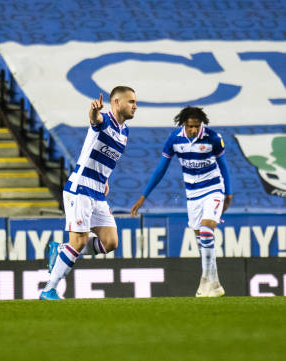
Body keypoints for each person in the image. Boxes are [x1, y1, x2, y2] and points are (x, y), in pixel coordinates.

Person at [40, 86, 137, 300]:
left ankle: (62, 250)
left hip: (98, 192)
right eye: (131, 101)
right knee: (80, 241)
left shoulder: (125, 132)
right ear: (117, 102)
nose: (135, 106)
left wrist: (106, 179)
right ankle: (49, 289)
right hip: (81, 188)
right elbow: (95, 120)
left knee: (110, 242)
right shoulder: (104, 120)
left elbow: (107, 157)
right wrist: (93, 111)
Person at [130, 106, 232, 297]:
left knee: (207, 231)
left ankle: (205, 280)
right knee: (202, 240)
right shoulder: (174, 140)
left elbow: (223, 165)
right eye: (190, 126)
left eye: (197, 126)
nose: (194, 130)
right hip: (193, 194)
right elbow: (161, 169)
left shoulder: (213, 138)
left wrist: (229, 193)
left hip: (213, 189)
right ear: (183, 124)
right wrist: (144, 196)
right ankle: (215, 284)